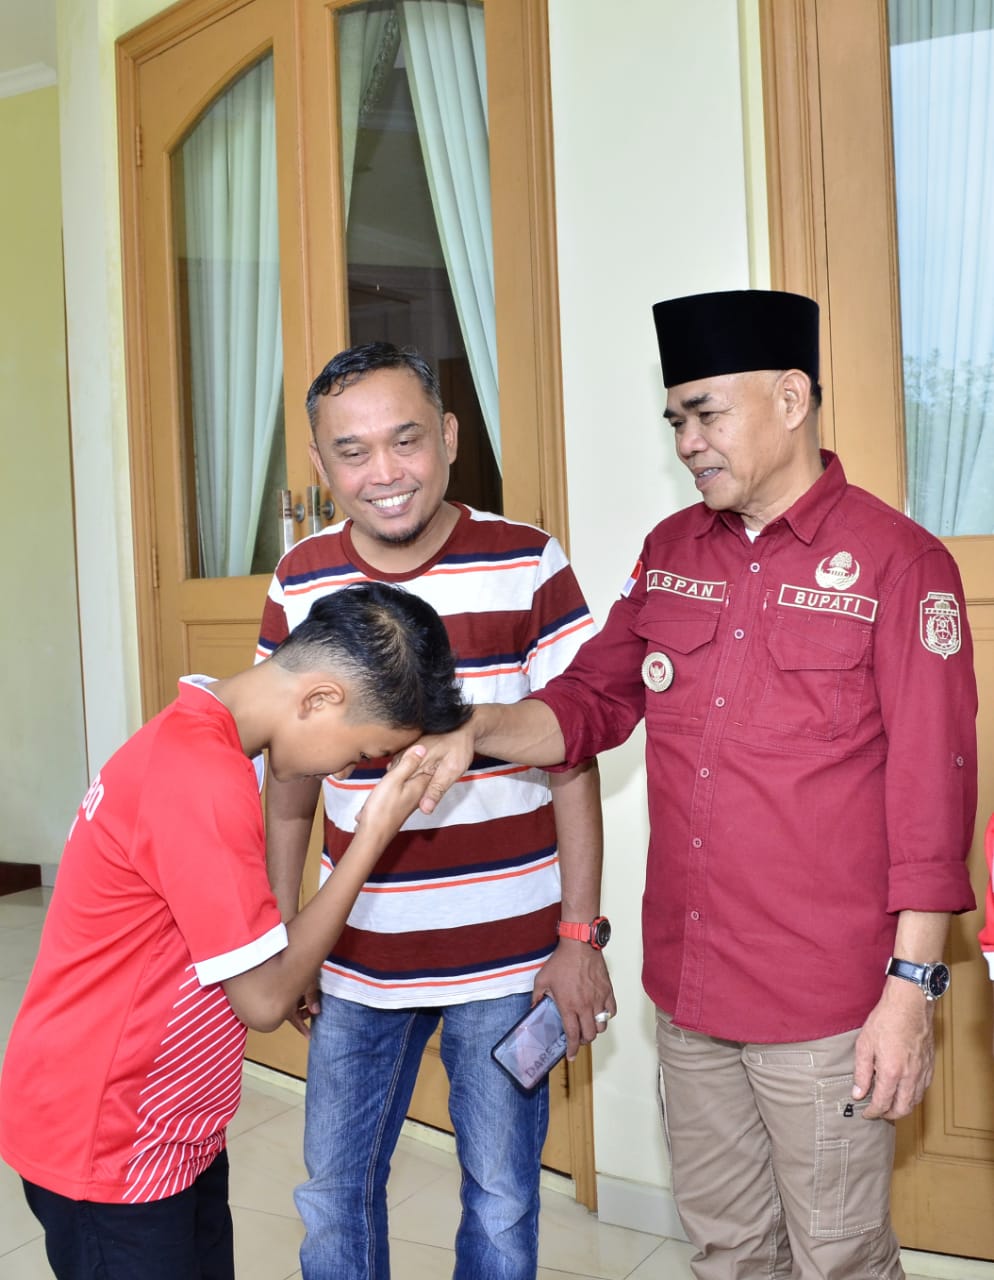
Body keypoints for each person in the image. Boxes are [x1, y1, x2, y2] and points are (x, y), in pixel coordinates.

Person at [413, 290, 979, 1279]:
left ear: (792, 399)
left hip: (826, 1002)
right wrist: (475, 729)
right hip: (690, 987)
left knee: (840, 1256)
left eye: (706, 413)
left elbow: (933, 801)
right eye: (675, 418)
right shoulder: (672, 554)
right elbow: (589, 703)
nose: (686, 442)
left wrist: (910, 992)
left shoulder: (899, 564)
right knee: (727, 1249)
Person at [259, 341, 614, 1280]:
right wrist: (283, 934)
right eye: (352, 451)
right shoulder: (300, 576)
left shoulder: (527, 561)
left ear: (450, 436)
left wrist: (579, 937)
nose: (384, 472)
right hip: (356, 956)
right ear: (321, 464)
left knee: (501, 1201)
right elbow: (288, 779)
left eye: (406, 439)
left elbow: (573, 752)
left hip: (507, 957)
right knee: (333, 1196)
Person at [0, 583, 470, 1280]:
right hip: (110, 1138)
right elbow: (263, 1000)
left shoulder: (209, 736)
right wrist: (373, 835)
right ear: (320, 699)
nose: (344, 771)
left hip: (166, 1124)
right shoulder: (201, 775)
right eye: (360, 750)